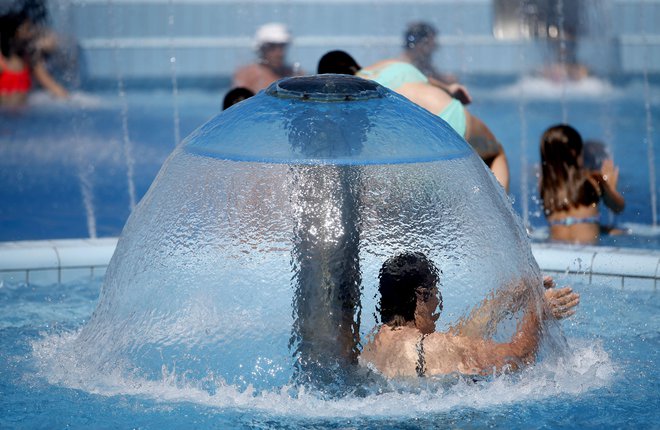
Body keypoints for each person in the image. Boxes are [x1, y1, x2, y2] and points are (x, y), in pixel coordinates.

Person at [360, 252, 579, 378]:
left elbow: (457, 340)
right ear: (422, 295)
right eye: (435, 295)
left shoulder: (371, 346)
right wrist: (539, 312)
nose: (437, 304)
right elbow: (517, 357)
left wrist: (510, 295)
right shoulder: (432, 348)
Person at [317, 50, 509, 192]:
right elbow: (426, 80)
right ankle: (507, 224)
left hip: (425, 142)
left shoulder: (352, 99)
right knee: (494, 153)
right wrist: (451, 89)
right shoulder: (387, 64)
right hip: (450, 112)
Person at [539, 124, 625, 244]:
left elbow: (571, 222)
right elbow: (618, 207)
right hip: (586, 252)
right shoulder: (593, 180)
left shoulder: (545, 186)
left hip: (555, 248)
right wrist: (610, 186)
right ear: (575, 152)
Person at [0, 9, 68, 106]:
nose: (31, 34)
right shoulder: (2, 62)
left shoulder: (30, 60)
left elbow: (52, 86)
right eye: (27, 30)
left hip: (23, 115)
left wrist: (71, 101)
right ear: (14, 35)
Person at [400, 21, 471, 104]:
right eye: (432, 43)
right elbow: (421, 80)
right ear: (421, 44)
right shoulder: (405, 65)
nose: (436, 47)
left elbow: (433, 77)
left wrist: (448, 81)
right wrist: (447, 88)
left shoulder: (421, 62)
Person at [232, 22, 302, 94]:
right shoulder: (247, 75)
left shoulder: (295, 74)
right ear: (261, 49)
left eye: (282, 47)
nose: (279, 53)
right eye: (272, 47)